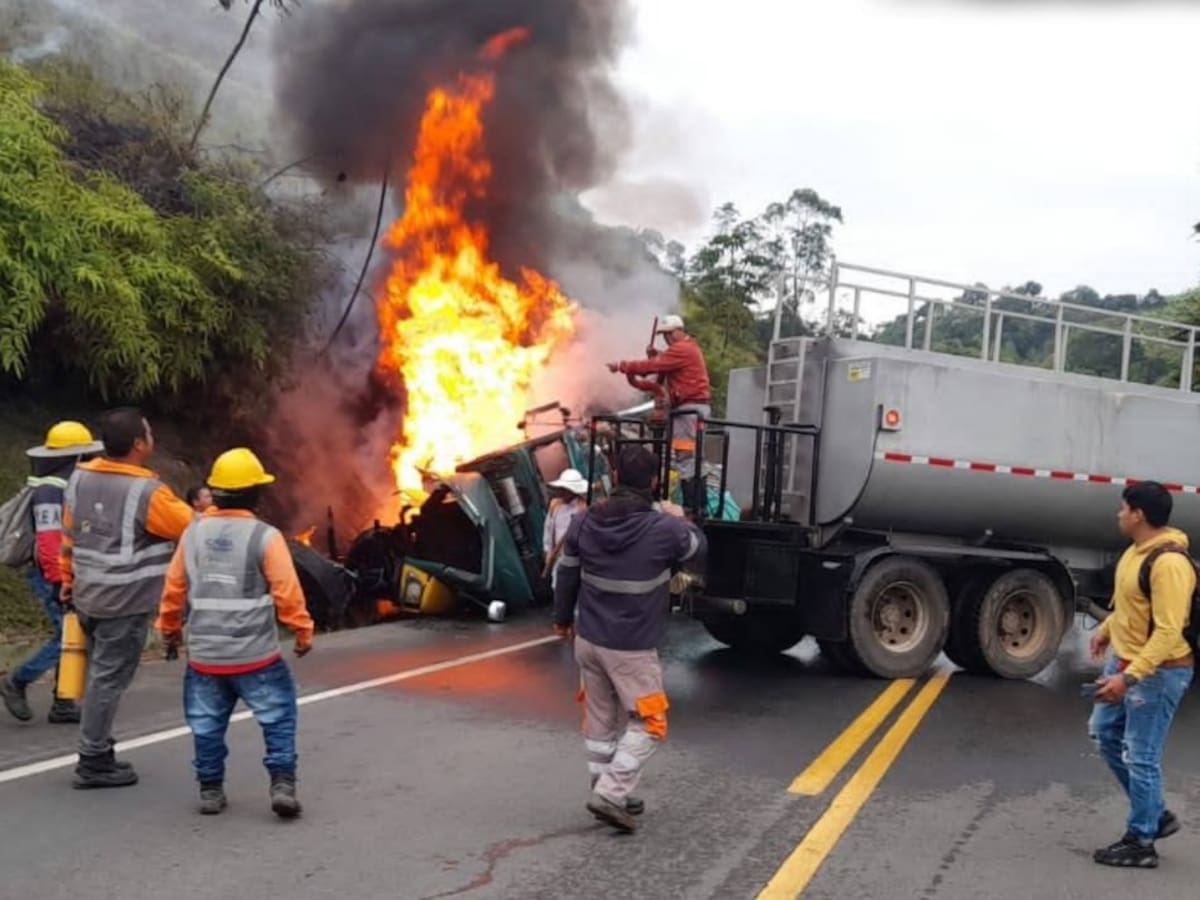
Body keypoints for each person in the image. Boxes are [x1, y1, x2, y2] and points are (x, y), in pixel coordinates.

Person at [553, 444, 706, 833]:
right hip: (631, 647)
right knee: (650, 723)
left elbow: (566, 574)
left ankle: (605, 787)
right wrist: (680, 517)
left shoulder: (583, 522)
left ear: (616, 477)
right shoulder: (665, 528)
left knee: (601, 720)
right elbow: (697, 548)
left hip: (588, 640)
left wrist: (561, 620)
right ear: (654, 483)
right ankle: (609, 794)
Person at [157, 448, 314, 818]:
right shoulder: (265, 536)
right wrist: (302, 630)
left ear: (216, 492)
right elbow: (286, 590)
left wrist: (169, 631)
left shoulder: (192, 535)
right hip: (257, 657)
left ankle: (210, 790)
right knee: (278, 719)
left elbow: (174, 589)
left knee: (206, 727)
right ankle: (282, 784)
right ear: (256, 494)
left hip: (205, 659)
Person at [61, 408, 193, 788]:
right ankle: (93, 759)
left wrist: (67, 579)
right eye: (149, 433)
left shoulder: (80, 477)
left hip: (88, 596)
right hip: (125, 602)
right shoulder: (147, 492)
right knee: (108, 679)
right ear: (138, 444)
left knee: (100, 675)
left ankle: (98, 748)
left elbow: (69, 534)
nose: (152, 437)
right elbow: (191, 527)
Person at [1088, 481, 1195, 869]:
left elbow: (1168, 632)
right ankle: (1156, 812)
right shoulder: (1136, 552)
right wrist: (1106, 630)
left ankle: (1142, 840)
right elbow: (1132, 605)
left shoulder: (1169, 564)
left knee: (1140, 754)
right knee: (1104, 733)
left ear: (1139, 515)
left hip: (1159, 672)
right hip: (1126, 660)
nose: (1119, 514)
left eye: (1124, 508)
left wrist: (1128, 678)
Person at [0, 422, 102, 725]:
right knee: (68, 636)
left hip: (63, 572)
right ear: (75, 457)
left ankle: (63, 701)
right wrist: (59, 580)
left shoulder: (61, 486)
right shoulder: (49, 490)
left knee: (73, 634)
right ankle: (17, 681)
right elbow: (48, 541)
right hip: (51, 574)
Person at [607, 315, 711, 491]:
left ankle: (692, 501)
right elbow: (659, 368)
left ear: (678, 331)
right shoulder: (687, 349)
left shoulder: (682, 349)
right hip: (689, 409)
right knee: (690, 457)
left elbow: (653, 366)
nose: (666, 339)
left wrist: (621, 366)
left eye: (668, 334)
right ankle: (695, 499)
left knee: (686, 456)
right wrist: (656, 357)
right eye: (664, 335)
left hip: (689, 409)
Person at [542, 468, 589, 590]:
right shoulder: (555, 505)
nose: (562, 492)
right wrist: (547, 551)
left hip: (577, 561)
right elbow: (548, 529)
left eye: (565, 489)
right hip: (557, 560)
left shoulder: (583, 508)